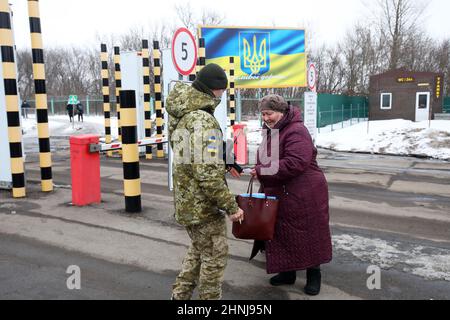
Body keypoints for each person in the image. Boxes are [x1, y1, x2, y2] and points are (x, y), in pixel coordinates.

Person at [166, 63, 244, 300]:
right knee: (214, 259)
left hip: (188, 201)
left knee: (199, 253)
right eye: (222, 89)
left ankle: (179, 298)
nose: (223, 93)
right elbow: (207, 173)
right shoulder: (202, 119)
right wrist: (231, 206)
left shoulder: (184, 112)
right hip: (203, 207)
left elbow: (192, 157)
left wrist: (222, 157)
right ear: (214, 89)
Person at [250, 94, 332, 296]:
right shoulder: (274, 131)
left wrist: (262, 170)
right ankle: (288, 273)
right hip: (282, 191)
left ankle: (314, 275)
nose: (265, 118)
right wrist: (259, 167)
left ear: (281, 111)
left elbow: (295, 162)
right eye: (263, 114)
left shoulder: (297, 130)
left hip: (305, 194)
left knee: (310, 234)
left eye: (268, 113)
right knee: (283, 234)